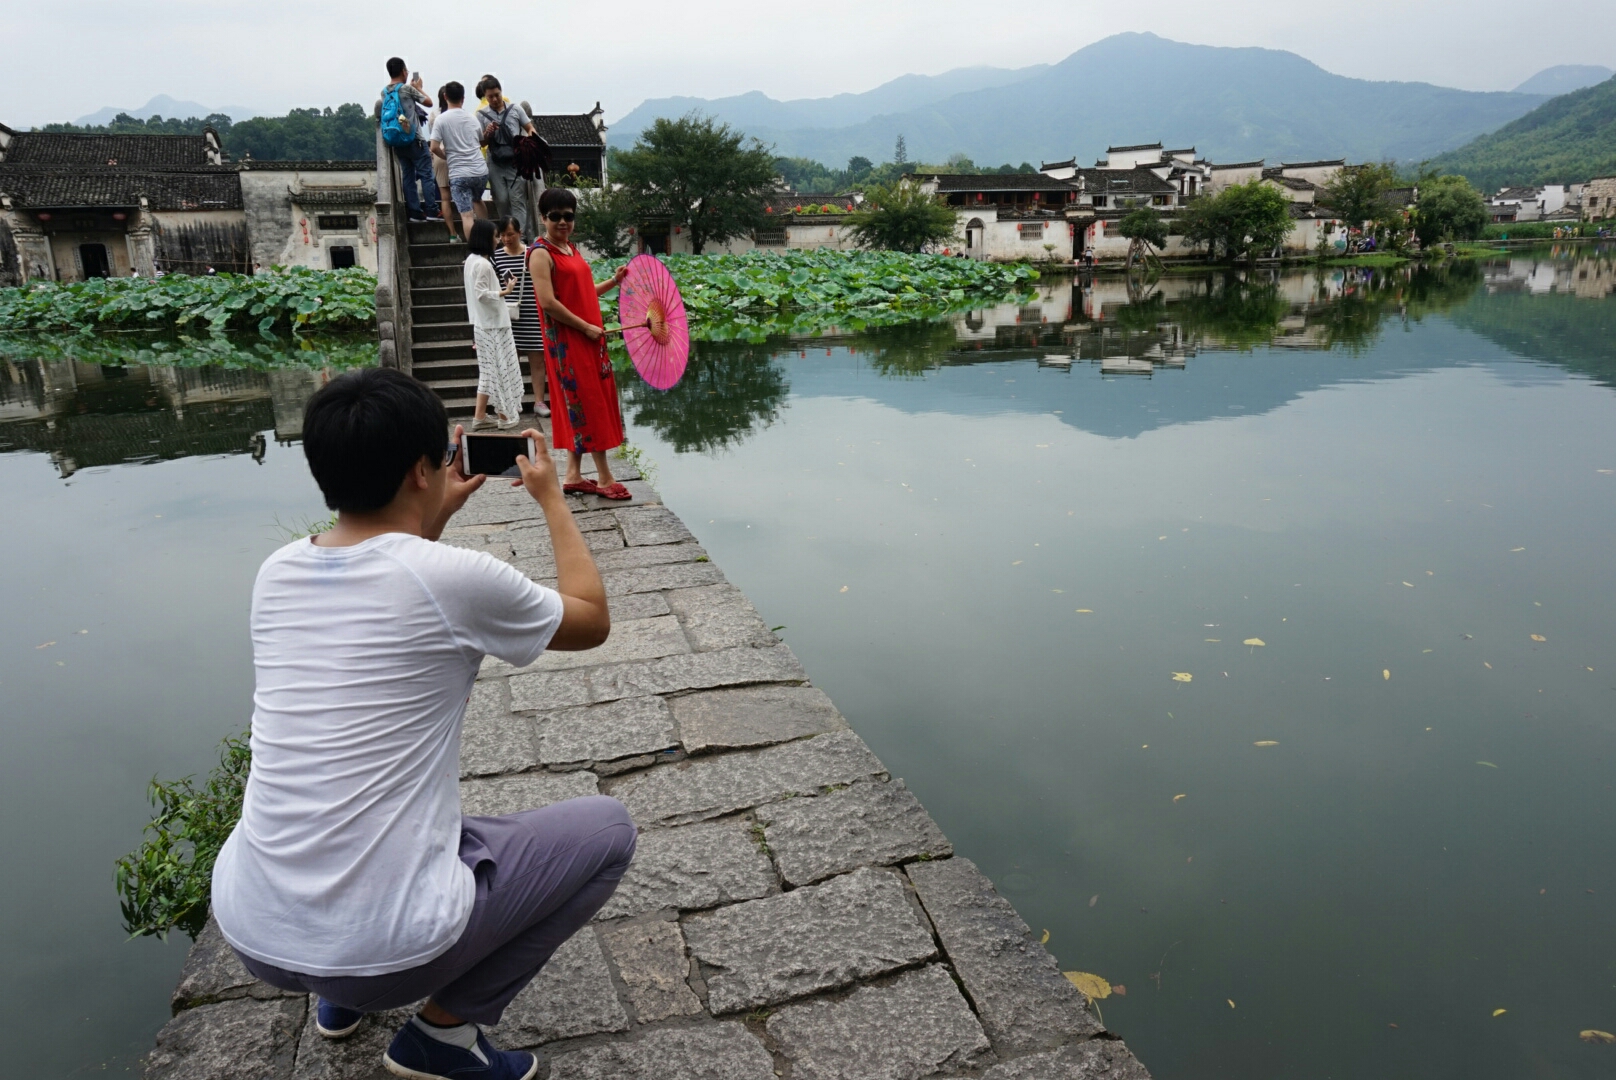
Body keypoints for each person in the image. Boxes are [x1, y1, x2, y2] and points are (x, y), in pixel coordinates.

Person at [210, 366, 628, 1080]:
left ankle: (338, 1001)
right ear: (419, 471)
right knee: (608, 832)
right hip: (384, 947)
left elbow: (388, 563)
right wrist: (553, 499)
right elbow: (590, 620)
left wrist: (430, 511)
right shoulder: (450, 578)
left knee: (371, 799)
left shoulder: (275, 571)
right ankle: (442, 1034)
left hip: (254, 927)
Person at [527, 187, 632, 499]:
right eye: (555, 216)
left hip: (590, 338)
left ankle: (573, 475)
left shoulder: (571, 249)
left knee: (585, 402)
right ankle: (604, 477)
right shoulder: (541, 253)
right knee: (587, 403)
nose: (563, 222)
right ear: (543, 218)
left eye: (568, 216)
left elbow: (583, 292)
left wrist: (614, 282)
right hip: (568, 343)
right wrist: (585, 326)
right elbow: (547, 302)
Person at [464, 218, 526, 430]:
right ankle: (503, 415)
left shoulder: (472, 260)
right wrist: (505, 291)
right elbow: (481, 294)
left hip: (483, 323)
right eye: (495, 236)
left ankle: (480, 416)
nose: (498, 240)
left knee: (488, 371)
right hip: (493, 325)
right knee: (498, 370)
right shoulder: (481, 263)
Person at [491, 217, 550, 418]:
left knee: (537, 360)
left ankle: (539, 401)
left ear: (520, 233)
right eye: (503, 235)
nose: (506, 239)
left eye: (510, 234)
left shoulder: (532, 254)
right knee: (509, 360)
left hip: (532, 313)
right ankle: (512, 401)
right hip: (507, 316)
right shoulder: (495, 257)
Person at [376, 58, 441, 223]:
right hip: (415, 139)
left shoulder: (384, 92)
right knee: (426, 174)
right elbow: (429, 102)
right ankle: (432, 211)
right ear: (403, 71)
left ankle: (415, 212)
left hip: (397, 140)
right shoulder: (406, 89)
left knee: (408, 176)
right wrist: (418, 88)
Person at [476, 77, 535, 236]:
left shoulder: (515, 109)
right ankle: (508, 233)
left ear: (501, 92)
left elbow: (529, 128)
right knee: (501, 199)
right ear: (485, 97)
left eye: (497, 94)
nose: (495, 99)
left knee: (518, 200)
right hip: (495, 162)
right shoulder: (481, 115)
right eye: (490, 96)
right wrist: (487, 133)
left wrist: (531, 143)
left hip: (516, 161)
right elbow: (481, 143)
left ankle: (520, 237)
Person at [431, 82, 487, 242]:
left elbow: (434, 147)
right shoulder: (473, 118)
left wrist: (447, 156)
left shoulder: (441, 120)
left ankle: (476, 249)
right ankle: (487, 238)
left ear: (445, 96)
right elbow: (481, 140)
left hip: (460, 173)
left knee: (467, 215)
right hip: (480, 171)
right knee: (478, 200)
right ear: (463, 98)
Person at [427, 86, 459, 240]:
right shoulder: (459, 114)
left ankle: (453, 234)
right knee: (464, 191)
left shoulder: (434, 115)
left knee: (445, 197)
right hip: (457, 153)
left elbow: (433, 138)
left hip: (439, 154)